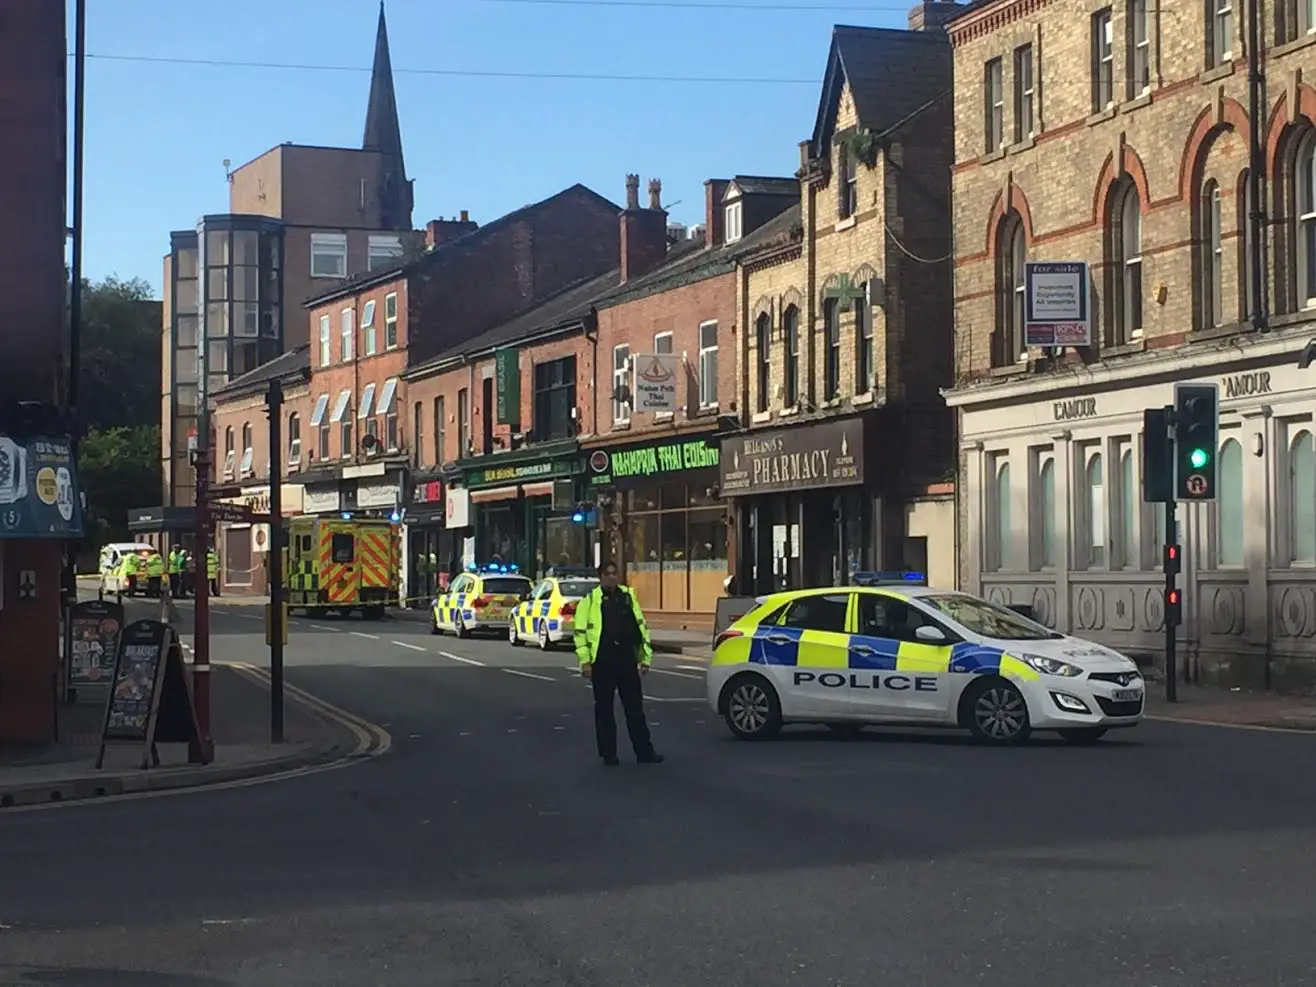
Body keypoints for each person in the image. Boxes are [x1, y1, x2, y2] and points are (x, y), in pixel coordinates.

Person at [573, 561, 664, 767]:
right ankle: (609, 754)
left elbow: (641, 628)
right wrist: (585, 661)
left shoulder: (628, 597)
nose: (612, 577)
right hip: (603, 661)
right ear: (600, 576)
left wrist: (645, 658)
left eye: (615, 573)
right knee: (604, 710)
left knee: (635, 709)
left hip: (626, 659)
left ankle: (644, 752)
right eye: (608, 573)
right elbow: (580, 635)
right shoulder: (589, 601)